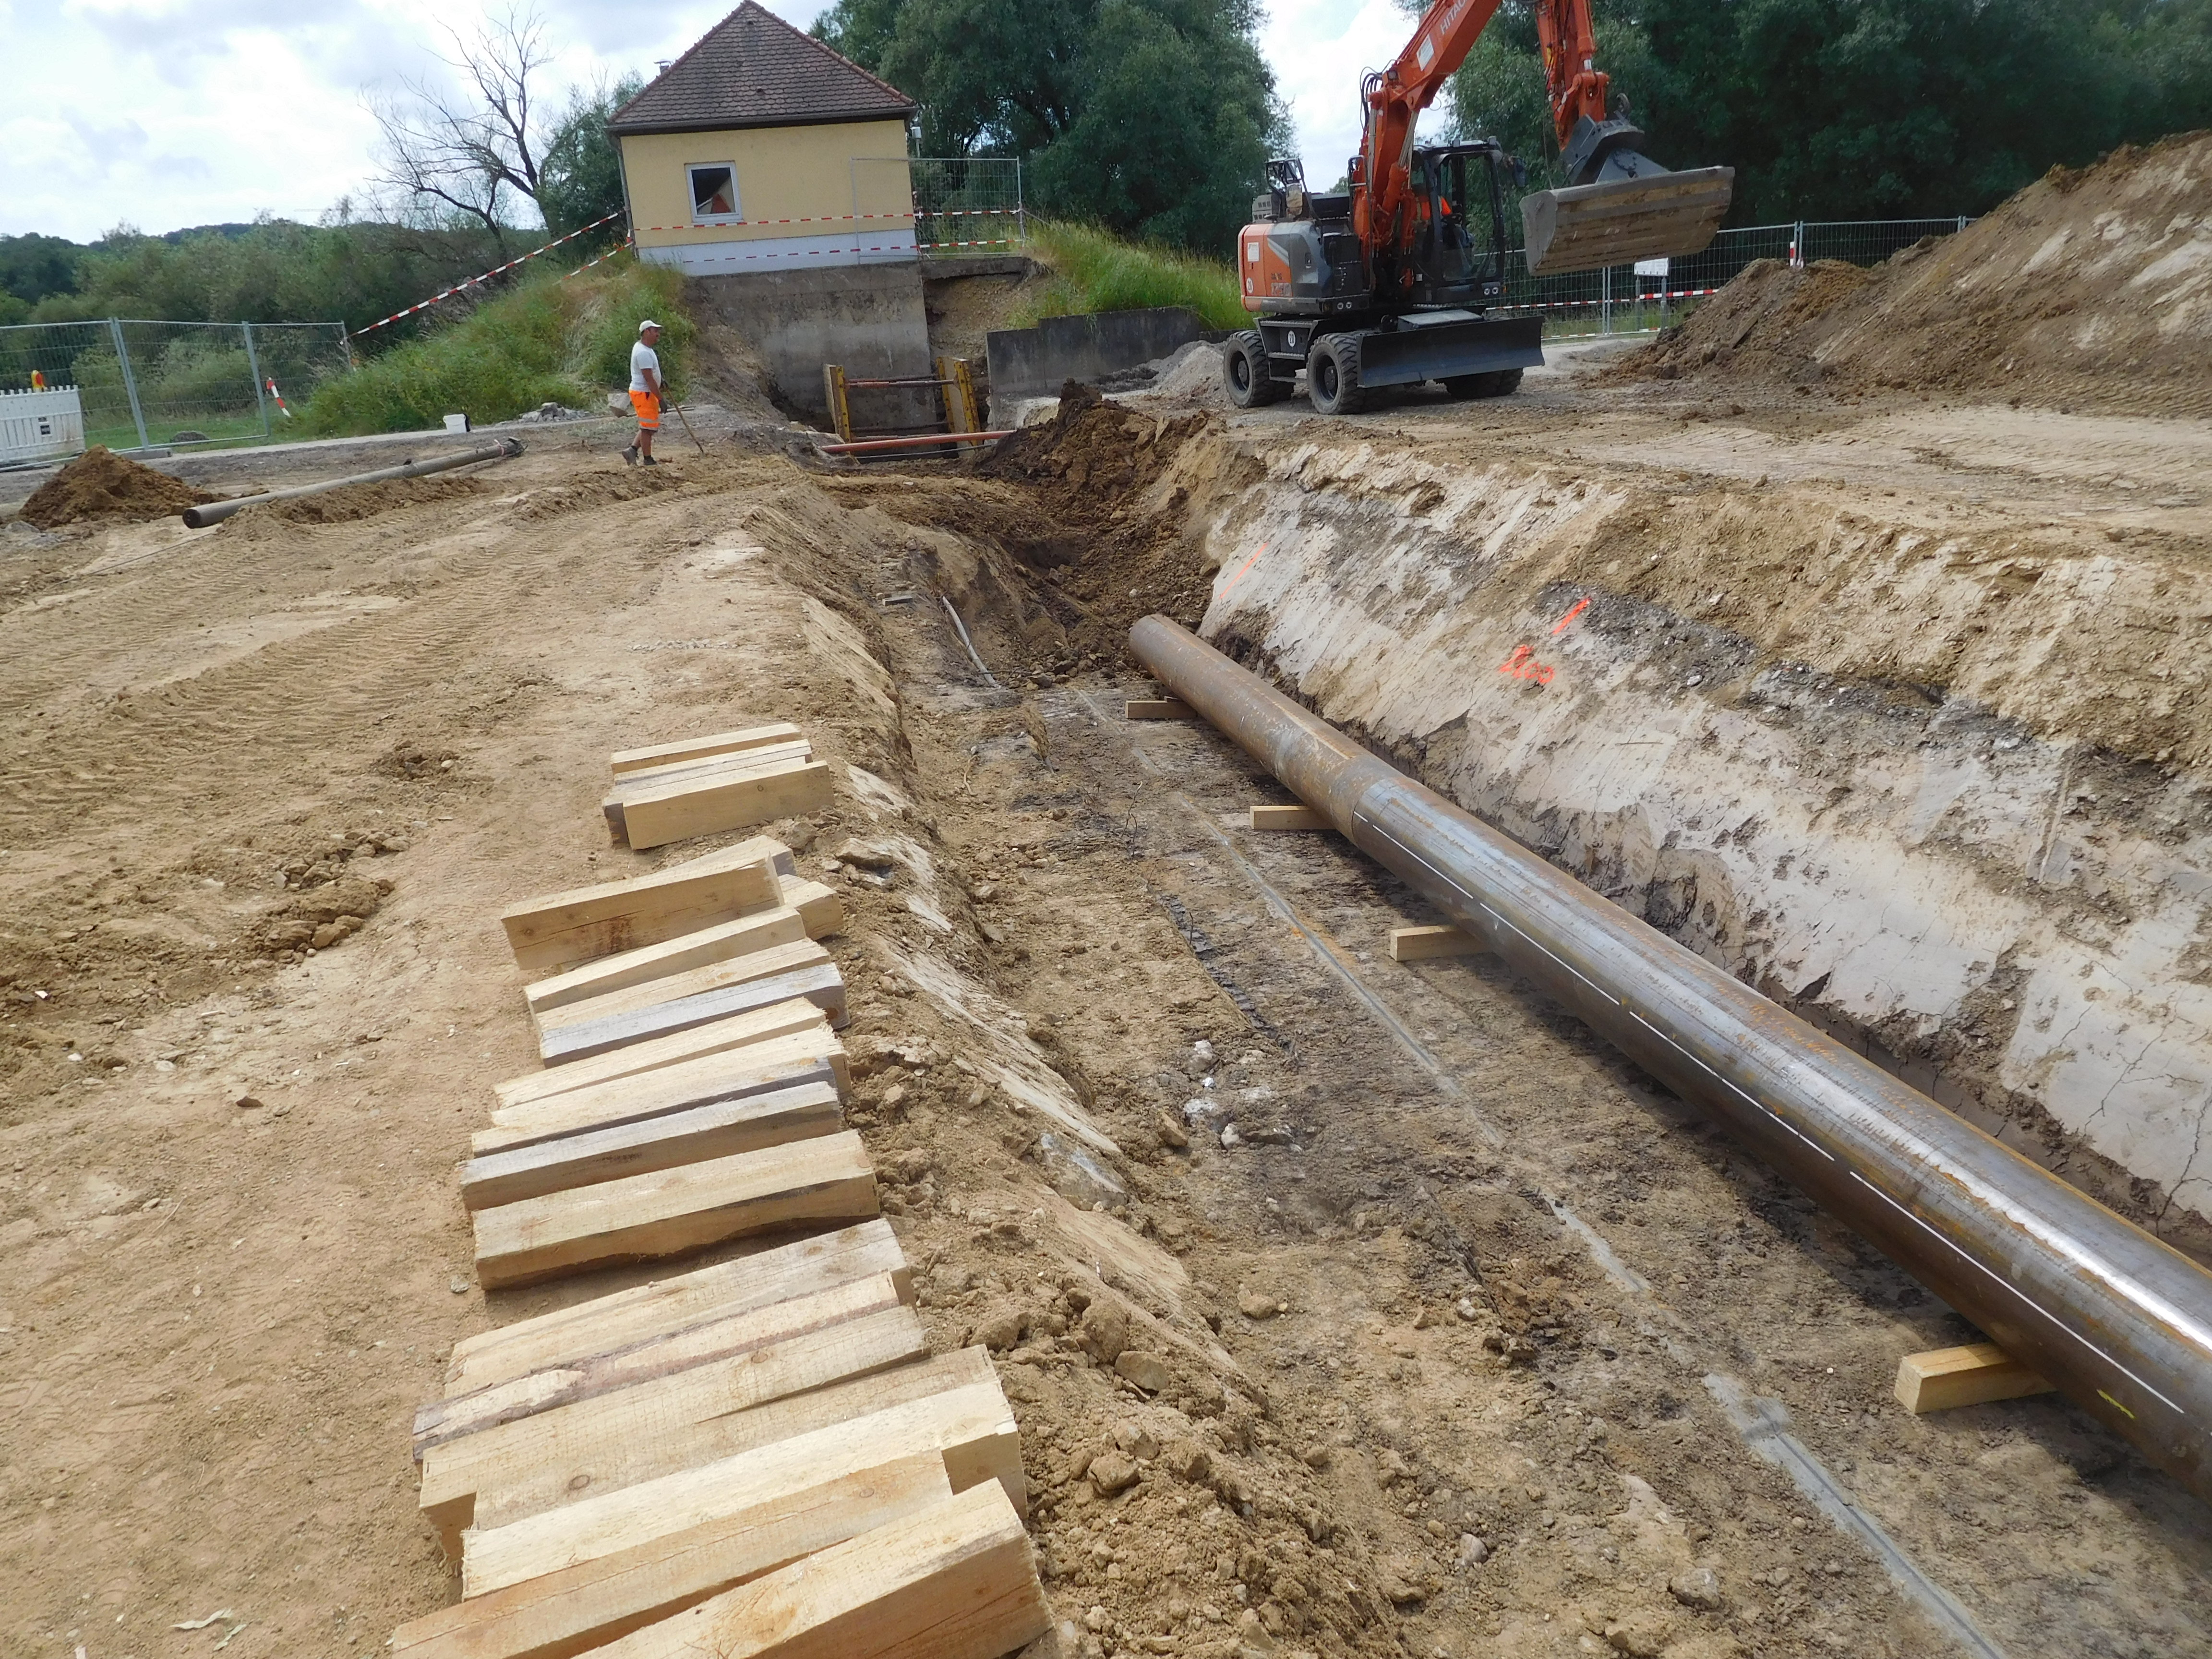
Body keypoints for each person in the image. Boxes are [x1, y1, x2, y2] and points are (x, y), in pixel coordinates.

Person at [624, 320, 664, 466]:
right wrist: (661, 399)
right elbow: (648, 378)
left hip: (646, 393)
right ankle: (648, 459)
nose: (658, 335)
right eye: (655, 331)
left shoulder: (645, 349)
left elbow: (651, 373)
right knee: (647, 428)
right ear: (647, 332)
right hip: (644, 394)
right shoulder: (642, 352)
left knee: (648, 426)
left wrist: (661, 380)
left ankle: (632, 451)